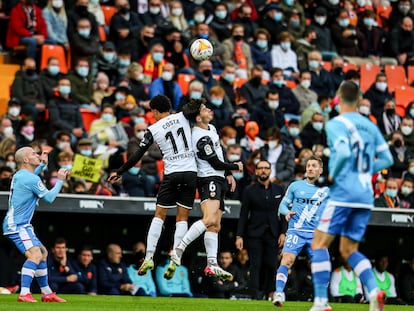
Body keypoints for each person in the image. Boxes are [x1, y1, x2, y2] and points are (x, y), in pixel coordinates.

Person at [309, 81, 394, 311]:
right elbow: (387, 160)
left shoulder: (336, 123)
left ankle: (320, 302)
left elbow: (345, 151)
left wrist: (332, 176)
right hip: (365, 196)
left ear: (338, 97)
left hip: (343, 192)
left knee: (318, 243)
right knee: (349, 250)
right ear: (359, 99)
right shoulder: (370, 126)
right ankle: (374, 291)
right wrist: (365, 171)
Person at [108, 95, 197, 277]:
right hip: (190, 173)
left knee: (159, 216)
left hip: (171, 174)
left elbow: (137, 155)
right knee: (182, 218)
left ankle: (149, 257)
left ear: (155, 111)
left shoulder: (153, 129)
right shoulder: (183, 116)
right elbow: (197, 105)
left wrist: (120, 171)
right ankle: (176, 257)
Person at [165, 98, 242, 281]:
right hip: (208, 179)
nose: (209, 110)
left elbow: (219, 152)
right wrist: (233, 167)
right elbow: (214, 161)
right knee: (208, 219)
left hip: (219, 178)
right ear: (198, 118)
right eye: (204, 109)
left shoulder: (212, 129)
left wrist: (228, 175)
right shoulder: (199, 136)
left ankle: (212, 263)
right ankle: (178, 250)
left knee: (216, 224)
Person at [2, 146, 69, 302]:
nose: (37, 155)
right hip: (17, 225)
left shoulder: (21, 175)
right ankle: (24, 293)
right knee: (35, 254)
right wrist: (60, 181)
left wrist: (42, 166)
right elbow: (49, 198)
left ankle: (46, 293)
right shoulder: (31, 178)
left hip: (20, 224)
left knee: (43, 253)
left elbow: (31, 177)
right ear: (25, 160)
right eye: (34, 154)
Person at [272, 156, 329, 307]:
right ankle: (278, 293)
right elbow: (282, 206)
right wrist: (286, 212)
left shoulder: (326, 191)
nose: (310, 168)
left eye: (314, 166)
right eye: (308, 165)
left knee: (322, 266)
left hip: (317, 235)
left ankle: (322, 301)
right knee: (287, 260)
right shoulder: (295, 186)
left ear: (320, 170)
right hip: (296, 231)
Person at [235, 160, 287, 300]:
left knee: (272, 264)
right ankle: (254, 294)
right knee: (255, 265)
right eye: (260, 168)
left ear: (270, 171)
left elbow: (283, 213)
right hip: (254, 233)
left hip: (273, 233)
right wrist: (239, 235)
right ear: (256, 171)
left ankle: (270, 293)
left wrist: (284, 232)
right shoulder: (249, 190)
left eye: (266, 168)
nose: (263, 170)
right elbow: (243, 214)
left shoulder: (279, 189)